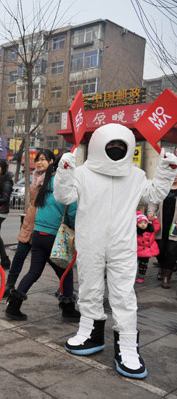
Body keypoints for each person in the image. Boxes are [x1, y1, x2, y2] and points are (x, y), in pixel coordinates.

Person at [55, 123, 177, 379]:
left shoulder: (135, 175)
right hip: (90, 241)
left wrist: (166, 169)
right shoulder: (85, 173)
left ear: (129, 147)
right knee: (89, 288)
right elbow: (65, 197)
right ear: (99, 146)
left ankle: (128, 345)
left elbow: (154, 193)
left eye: (121, 146)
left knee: (123, 293)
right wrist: (65, 172)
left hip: (122, 244)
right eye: (110, 145)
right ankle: (90, 332)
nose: (115, 150)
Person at [5, 153, 80, 322]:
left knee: (34, 271)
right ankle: (68, 309)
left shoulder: (46, 182)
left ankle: (13, 306)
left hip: (38, 234)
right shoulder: (67, 185)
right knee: (66, 273)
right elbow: (73, 212)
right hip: (54, 235)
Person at [5, 149, 55, 297]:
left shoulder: (54, 179)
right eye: (38, 159)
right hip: (30, 222)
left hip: (46, 224)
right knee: (19, 256)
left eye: (43, 159)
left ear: (51, 162)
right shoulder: (35, 178)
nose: (39, 162)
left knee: (56, 262)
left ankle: (65, 291)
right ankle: (9, 286)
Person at [147, 175, 177, 289]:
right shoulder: (163, 188)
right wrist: (151, 212)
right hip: (161, 224)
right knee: (159, 249)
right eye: (173, 174)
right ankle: (163, 267)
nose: (175, 177)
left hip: (175, 225)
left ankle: (166, 277)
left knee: (172, 251)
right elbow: (154, 202)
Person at [135, 211, 160, 283]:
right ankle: (131, 276)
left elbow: (157, 226)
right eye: (140, 223)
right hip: (137, 250)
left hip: (146, 252)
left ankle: (141, 277)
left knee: (143, 265)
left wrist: (154, 219)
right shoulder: (135, 231)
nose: (143, 225)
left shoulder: (151, 229)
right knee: (133, 264)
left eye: (145, 223)